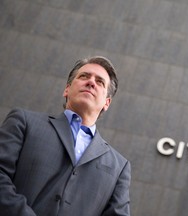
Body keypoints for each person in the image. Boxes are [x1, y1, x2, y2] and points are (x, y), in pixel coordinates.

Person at [0, 56, 131, 216]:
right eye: (84, 76)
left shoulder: (119, 167)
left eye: (100, 82)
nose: (91, 82)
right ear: (67, 89)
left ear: (106, 103)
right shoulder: (24, 122)